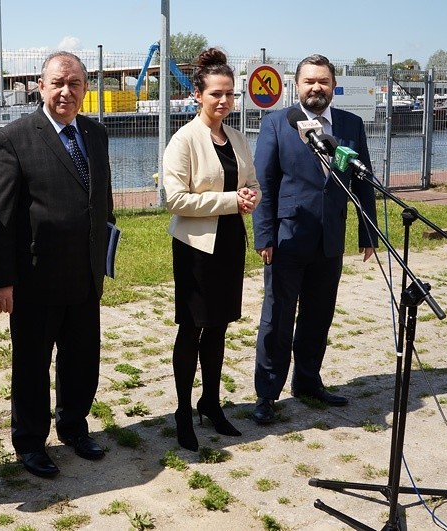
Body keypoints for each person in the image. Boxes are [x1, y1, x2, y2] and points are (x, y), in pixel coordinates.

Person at [0, 51, 114, 478]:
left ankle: (74, 426)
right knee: (32, 366)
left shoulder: (96, 134)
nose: (66, 91)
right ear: (41, 86)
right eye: (57, 82)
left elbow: (101, 201)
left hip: (83, 275)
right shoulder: (15, 137)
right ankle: (30, 442)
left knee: (81, 360)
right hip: (35, 279)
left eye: (74, 84)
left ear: (85, 89)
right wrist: (1, 280)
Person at [251, 54, 378, 425]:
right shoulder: (277, 124)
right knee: (277, 318)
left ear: (333, 86)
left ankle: (307, 381)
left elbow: (362, 182)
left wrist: (367, 232)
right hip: (287, 239)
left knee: (318, 316)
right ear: (296, 86)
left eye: (323, 81)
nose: (316, 88)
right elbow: (265, 185)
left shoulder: (351, 125)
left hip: (329, 239)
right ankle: (267, 394)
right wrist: (264, 236)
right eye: (309, 82)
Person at [162, 48, 260, 451]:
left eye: (230, 95)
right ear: (198, 96)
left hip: (230, 242)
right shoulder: (183, 140)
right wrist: (230, 201)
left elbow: (249, 182)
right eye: (216, 94)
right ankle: (184, 410)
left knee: (218, 326)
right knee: (192, 328)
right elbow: (175, 199)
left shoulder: (236, 137)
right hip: (196, 248)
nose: (224, 101)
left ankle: (211, 403)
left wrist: (250, 198)